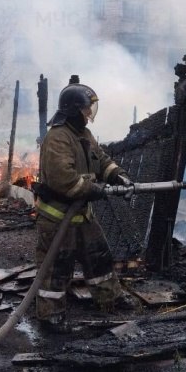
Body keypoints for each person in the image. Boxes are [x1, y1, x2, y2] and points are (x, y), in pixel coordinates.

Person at [34, 76, 139, 331]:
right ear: (73, 110)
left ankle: (109, 298)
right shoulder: (58, 138)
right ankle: (50, 316)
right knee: (56, 269)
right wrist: (94, 189)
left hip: (82, 214)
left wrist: (116, 174)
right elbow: (63, 180)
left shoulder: (85, 134)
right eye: (85, 108)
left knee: (99, 258)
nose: (89, 112)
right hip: (58, 218)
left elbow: (100, 159)